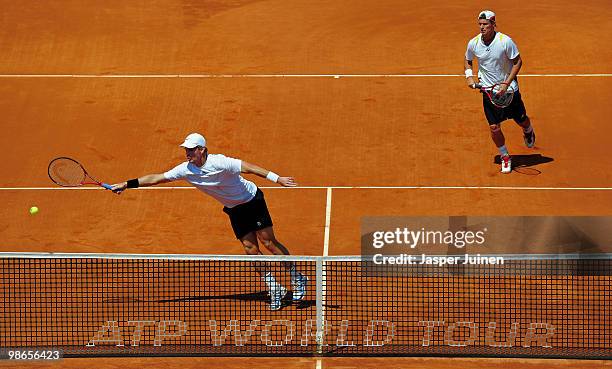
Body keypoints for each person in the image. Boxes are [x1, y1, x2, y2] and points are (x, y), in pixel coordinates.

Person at [110, 132, 307, 311]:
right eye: (186, 149)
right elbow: (156, 178)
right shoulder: (185, 169)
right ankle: (274, 288)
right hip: (234, 210)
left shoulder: (220, 162)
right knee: (250, 249)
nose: (187, 153)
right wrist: (126, 184)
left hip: (252, 200)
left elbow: (248, 167)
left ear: (202, 150)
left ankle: (297, 277)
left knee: (268, 243)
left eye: (191, 149)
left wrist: (277, 178)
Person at [464, 10, 536, 174]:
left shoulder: (505, 41)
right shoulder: (473, 43)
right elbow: (468, 60)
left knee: (521, 119)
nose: (482, 28)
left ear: (493, 24)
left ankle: (528, 130)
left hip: (509, 91)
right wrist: (469, 77)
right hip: (489, 92)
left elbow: (518, 62)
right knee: (494, 127)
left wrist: (506, 83)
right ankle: (504, 156)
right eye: (480, 24)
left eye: (485, 25)